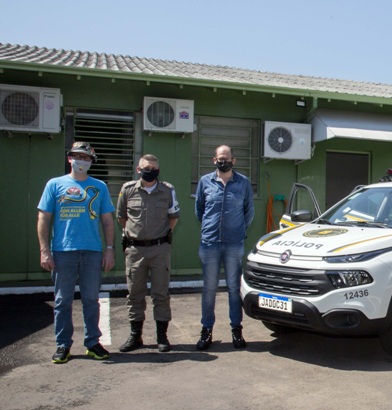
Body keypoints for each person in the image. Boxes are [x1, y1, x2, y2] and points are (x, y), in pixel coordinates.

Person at [37, 142, 116, 363]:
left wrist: (109, 249)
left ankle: (92, 342)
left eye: (87, 158)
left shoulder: (99, 186)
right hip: (63, 251)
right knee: (63, 301)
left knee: (91, 299)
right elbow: (44, 219)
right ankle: (63, 345)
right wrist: (45, 250)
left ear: (91, 162)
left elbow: (108, 221)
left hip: (92, 252)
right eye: (78, 156)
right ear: (70, 158)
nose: (82, 161)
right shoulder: (55, 185)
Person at [117, 154, 180, 353]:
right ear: (138, 170)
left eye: (154, 168)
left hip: (160, 249)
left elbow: (173, 217)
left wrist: (161, 235)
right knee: (135, 293)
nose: (150, 171)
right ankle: (136, 336)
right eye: (147, 168)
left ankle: (162, 336)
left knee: (160, 294)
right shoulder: (128, 190)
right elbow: (122, 217)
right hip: (135, 250)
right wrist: (134, 235)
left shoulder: (167, 191)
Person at [195, 145, 254, 350]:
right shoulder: (205, 182)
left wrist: (237, 230)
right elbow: (200, 211)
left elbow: (249, 212)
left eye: (227, 158)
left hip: (233, 244)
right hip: (210, 243)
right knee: (209, 289)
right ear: (214, 160)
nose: (224, 161)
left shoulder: (243, 183)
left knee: (233, 288)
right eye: (220, 158)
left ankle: (236, 330)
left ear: (233, 160)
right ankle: (206, 330)